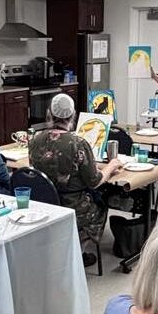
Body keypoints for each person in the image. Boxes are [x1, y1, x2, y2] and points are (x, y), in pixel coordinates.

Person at [28, 92, 120, 267]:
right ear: (73, 115)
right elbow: (94, 181)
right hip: (73, 206)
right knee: (101, 203)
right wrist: (111, 166)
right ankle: (78, 251)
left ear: (49, 113)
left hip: (45, 203)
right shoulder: (78, 143)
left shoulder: (35, 140)